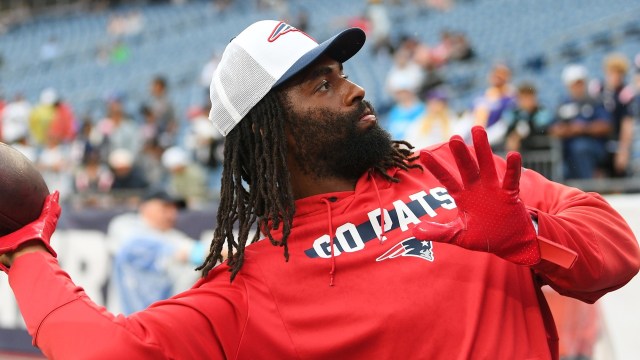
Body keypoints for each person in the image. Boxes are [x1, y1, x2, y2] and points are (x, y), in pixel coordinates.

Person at [0, 20, 639, 360]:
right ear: (269, 129)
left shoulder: (458, 172)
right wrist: (25, 250)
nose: (356, 88)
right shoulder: (251, 287)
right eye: (322, 84)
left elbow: (619, 248)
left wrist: (532, 237)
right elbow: (107, 352)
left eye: (343, 73)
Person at [110, 190, 201, 315]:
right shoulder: (124, 225)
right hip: (123, 321)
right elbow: (135, 244)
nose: (172, 214)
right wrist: (198, 252)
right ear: (145, 207)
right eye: (165, 207)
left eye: (174, 209)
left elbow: (194, 255)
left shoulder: (175, 236)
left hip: (158, 322)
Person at [549, 64, 612, 180]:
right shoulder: (563, 104)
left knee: (581, 147)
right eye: (574, 84)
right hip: (568, 151)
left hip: (592, 147)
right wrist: (568, 130)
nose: (578, 87)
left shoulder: (594, 102)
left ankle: (589, 185)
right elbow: (553, 128)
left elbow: (606, 125)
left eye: (580, 83)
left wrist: (584, 128)